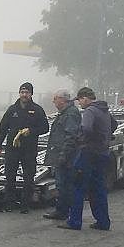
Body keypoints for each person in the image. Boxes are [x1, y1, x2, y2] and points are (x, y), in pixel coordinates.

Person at [59, 86, 115, 231]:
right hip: (103, 153)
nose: (79, 103)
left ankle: (74, 221)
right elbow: (114, 125)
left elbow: (87, 128)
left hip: (88, 154)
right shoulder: (104, 110)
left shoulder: (90, 111)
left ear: (85, 98)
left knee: (78, 186)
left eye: (79, 100)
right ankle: (103, 222)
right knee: (98, 189)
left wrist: (81, 140)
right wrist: (105, 137)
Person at [0, 82, 50, 213]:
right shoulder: (12, 110)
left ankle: (25, 205)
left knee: (28, 177)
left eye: (27, 92)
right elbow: (3, 128)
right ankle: (9, 203)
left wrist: (31, 131)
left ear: (31, 94)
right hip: (12, 148)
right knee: (10, 176)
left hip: (29, 149)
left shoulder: (37, 110)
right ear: (19, 93)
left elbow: (45, 128)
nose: (24, 95)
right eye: (22, 92)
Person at [42, 88, 82, 220]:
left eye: (55, 98)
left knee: (65, 185)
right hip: (62, 155)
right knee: (61, 185)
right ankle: (62, 210)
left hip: (67, 158)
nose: (53, 101)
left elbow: (71, 136)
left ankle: (65, 212)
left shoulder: (70, 114)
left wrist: (63, 156)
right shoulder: (65, 113)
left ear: (62, 100)